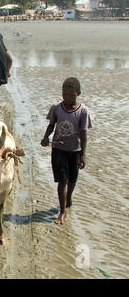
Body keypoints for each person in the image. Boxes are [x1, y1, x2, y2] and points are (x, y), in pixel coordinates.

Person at [41, 77, 92, 225]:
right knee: (62, 180)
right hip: (59, 149)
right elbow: (51, 125)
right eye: (65, 94)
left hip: (74, 150)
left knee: (72, 179)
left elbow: (83, 134)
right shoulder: (56, 108)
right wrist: (45, 137)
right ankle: (62, 211)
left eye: (71, 95)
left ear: (78, 93)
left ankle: (68, 197)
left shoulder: (83, 111)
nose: (67, 98)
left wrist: (83, 154)